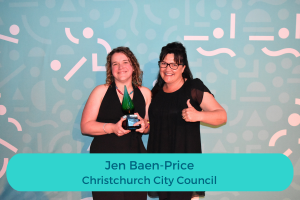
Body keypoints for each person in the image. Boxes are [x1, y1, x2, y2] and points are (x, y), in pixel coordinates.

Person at [147, 42, 227, 200]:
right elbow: (154, 126)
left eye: (174, 64)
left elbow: (222, 116)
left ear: (183, 67)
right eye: (164, 63)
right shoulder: (156, 92)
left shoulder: (193, 87)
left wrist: (199, 115)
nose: (168, 69)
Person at [81, 46, 151, 200]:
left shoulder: (145, 93)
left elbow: (148, 126)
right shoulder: (100, 91)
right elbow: (85, 126)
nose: (120, 67)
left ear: (133, 66)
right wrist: (112, 128)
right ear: (110, 69)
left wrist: (143, 126)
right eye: (115, 64)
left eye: (125, 62)